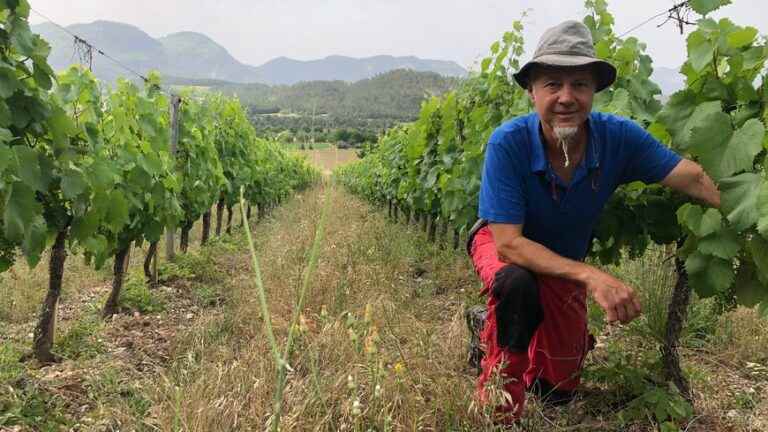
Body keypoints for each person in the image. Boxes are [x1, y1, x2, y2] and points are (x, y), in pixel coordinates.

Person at [466, 20, 720, 423]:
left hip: (564, 258)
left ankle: (494, 327)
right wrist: (593, 277)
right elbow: (509, 244)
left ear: (594, 92)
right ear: (531, 91)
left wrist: (743, 207)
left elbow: (691, 177)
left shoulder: (619, 137)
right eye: (552, 84)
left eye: (580, 84)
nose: (566, 97)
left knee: (558, 391)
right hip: (505, 244)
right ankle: (499, 400)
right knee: (517, 287)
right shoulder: (508, 142)